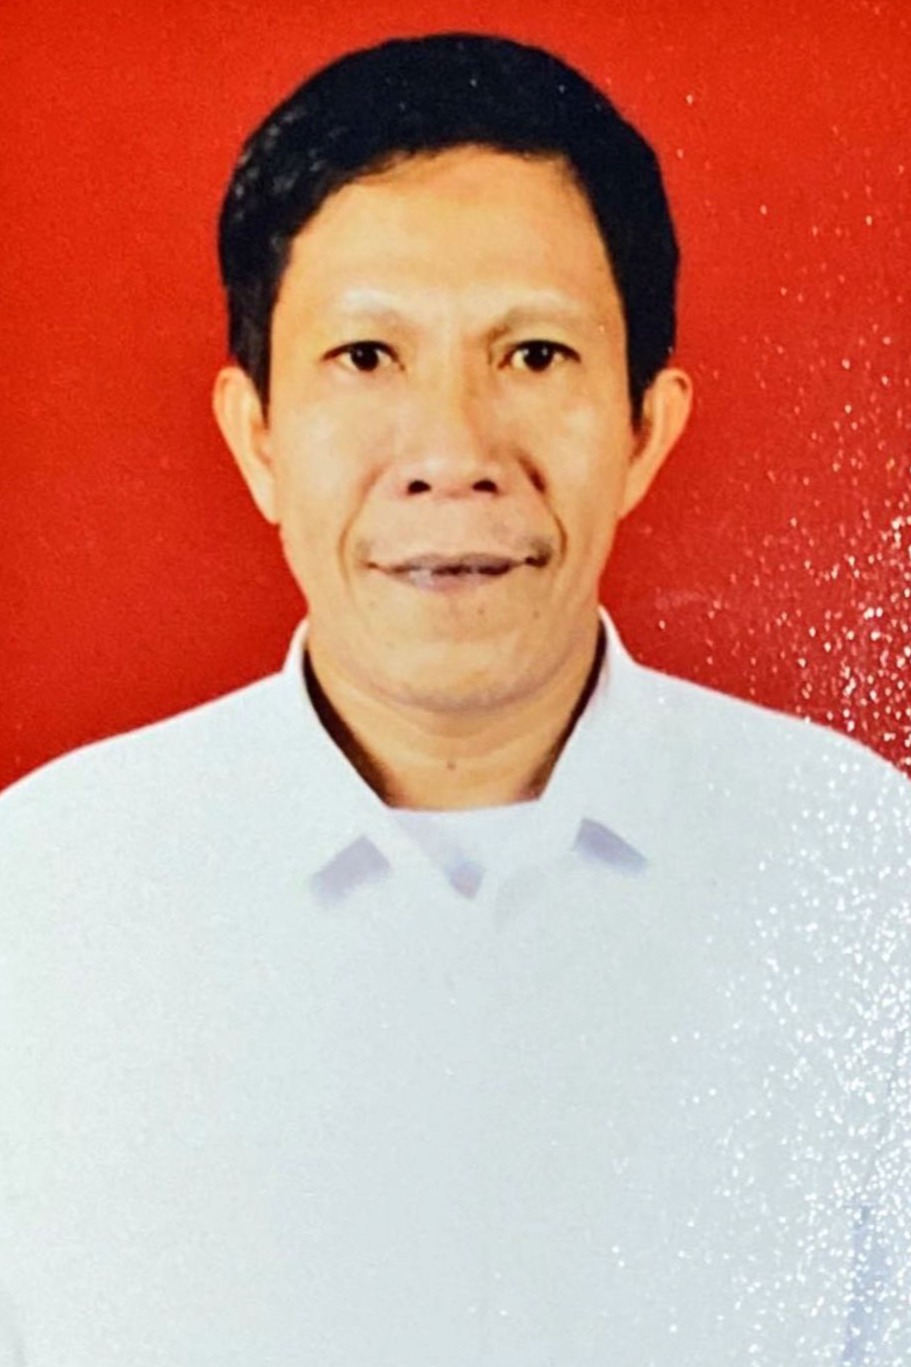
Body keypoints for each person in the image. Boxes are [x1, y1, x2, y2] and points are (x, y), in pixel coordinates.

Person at [0, 31, 908, 1367]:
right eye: (368, 357)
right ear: (257, 438)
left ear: (645, 430)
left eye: (533, 356)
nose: (451, 453)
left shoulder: (864, 873)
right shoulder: (44, 894)